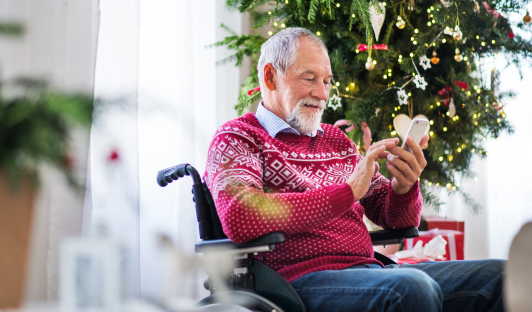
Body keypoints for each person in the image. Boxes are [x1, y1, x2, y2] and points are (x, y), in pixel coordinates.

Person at [203, 27, 503, 312]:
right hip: (294, 283)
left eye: (327, 81)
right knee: (411, 287)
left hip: (369, 272)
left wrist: (403, 187)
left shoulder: (336, 140)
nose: (322, 94)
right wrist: (345, 193)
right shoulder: (238, 138)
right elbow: (239, 214)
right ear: (271, 77)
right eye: (310, 78)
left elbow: (396, 219)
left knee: (503, 276)